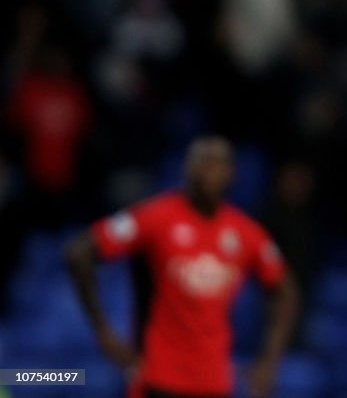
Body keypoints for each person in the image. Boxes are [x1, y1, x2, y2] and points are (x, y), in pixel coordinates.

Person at [65, 136, 300, 398]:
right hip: (155, 376)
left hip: (213, 382)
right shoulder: (154, 217)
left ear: (231, 173)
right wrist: (103, 332)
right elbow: (79, 253)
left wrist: (270, 361)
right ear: (187, 169)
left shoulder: (245, 233)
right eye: (203, 161)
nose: (210, 170)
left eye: (219, 163)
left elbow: (285, 290)